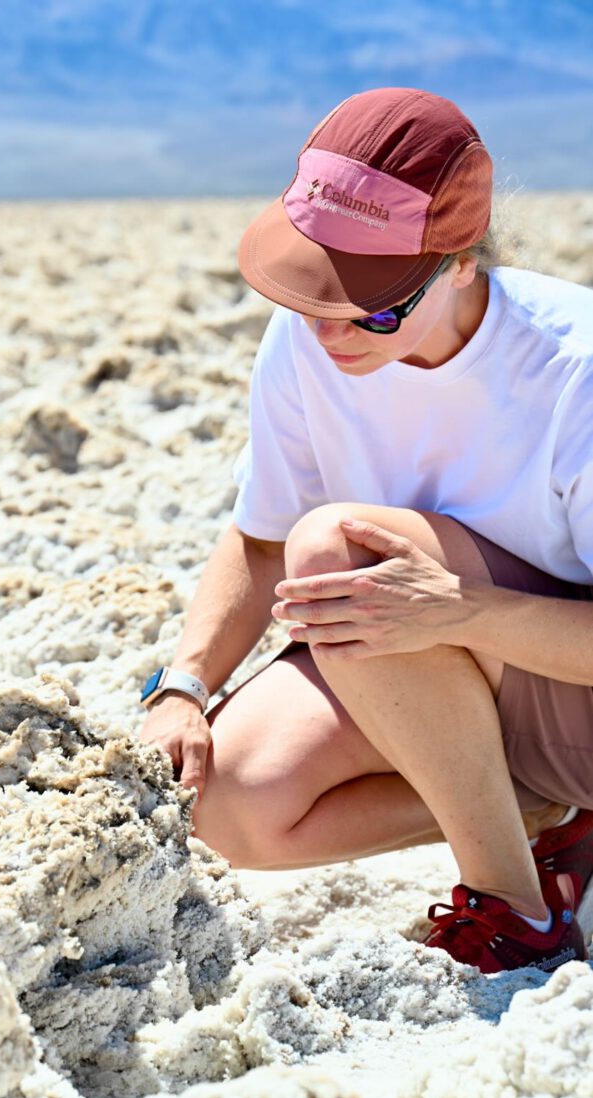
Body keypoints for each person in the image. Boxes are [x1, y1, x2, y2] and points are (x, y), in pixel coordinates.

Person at [139, 87, 593, 974]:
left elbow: (315, 551)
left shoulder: (572, 374)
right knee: (231, 805)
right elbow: (261, 534)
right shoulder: (306, 339)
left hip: (566, 689)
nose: (330, 324)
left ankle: (513, 914)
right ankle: (543, 819)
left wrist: (462, 613)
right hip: (437, 671)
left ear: (462, 263)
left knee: (339, 552)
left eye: (373, 302)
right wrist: (183, 687)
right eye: (313, 287)